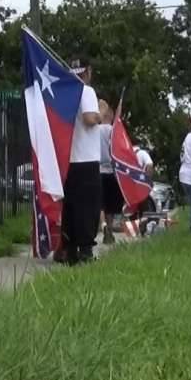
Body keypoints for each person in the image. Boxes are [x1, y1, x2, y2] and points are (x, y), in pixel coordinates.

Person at [62, 55, 102, 265]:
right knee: (88, 207)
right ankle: (86, 251)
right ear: (87, 72)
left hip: (68, 159)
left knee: (71, 207)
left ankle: (70, 250)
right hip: (86, 159)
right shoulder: (86, 91)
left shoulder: (64, 92)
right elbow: (89, 119)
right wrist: (101, 114)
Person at [97, 100, 123, 245]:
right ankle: (110, 229)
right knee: (111, 205)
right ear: (111, 115)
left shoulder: (96, 130)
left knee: (100, 203)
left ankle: (103, 225)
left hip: (98, 169)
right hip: (112, 171)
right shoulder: (114, 131)